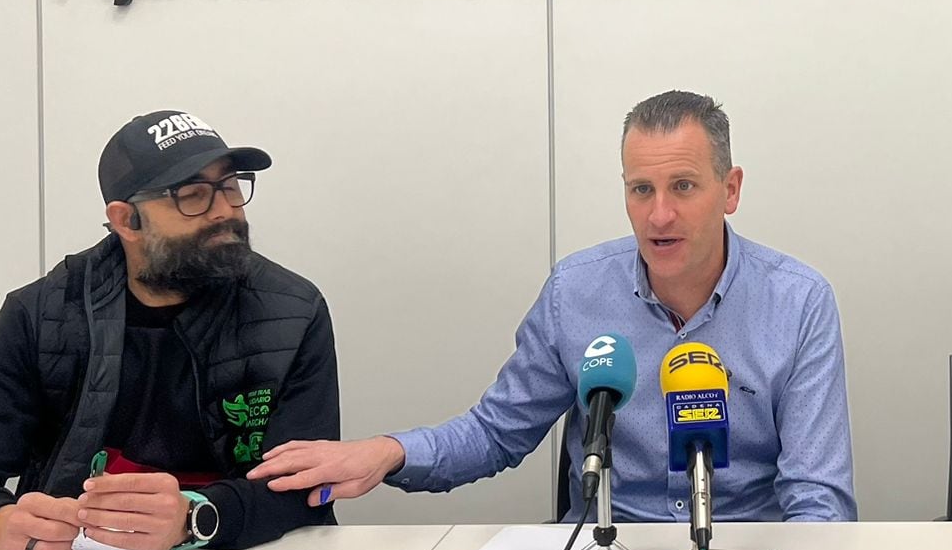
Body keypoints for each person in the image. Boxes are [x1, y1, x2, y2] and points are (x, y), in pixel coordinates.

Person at [248, 90, 856, 522]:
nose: (659, 215)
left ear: (730, 190)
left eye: (683, 187)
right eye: (640, 189)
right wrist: (389, 451)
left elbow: (817, 499)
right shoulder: (577, 293)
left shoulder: (798, 303)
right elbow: (494, 435)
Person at [0, 111, 340, 550]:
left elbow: (312, 488)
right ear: (126, 220)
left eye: (230, 185)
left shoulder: (292, 312)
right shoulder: (42, 316)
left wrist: (195, 517)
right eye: (192, 195)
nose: (226, 210)